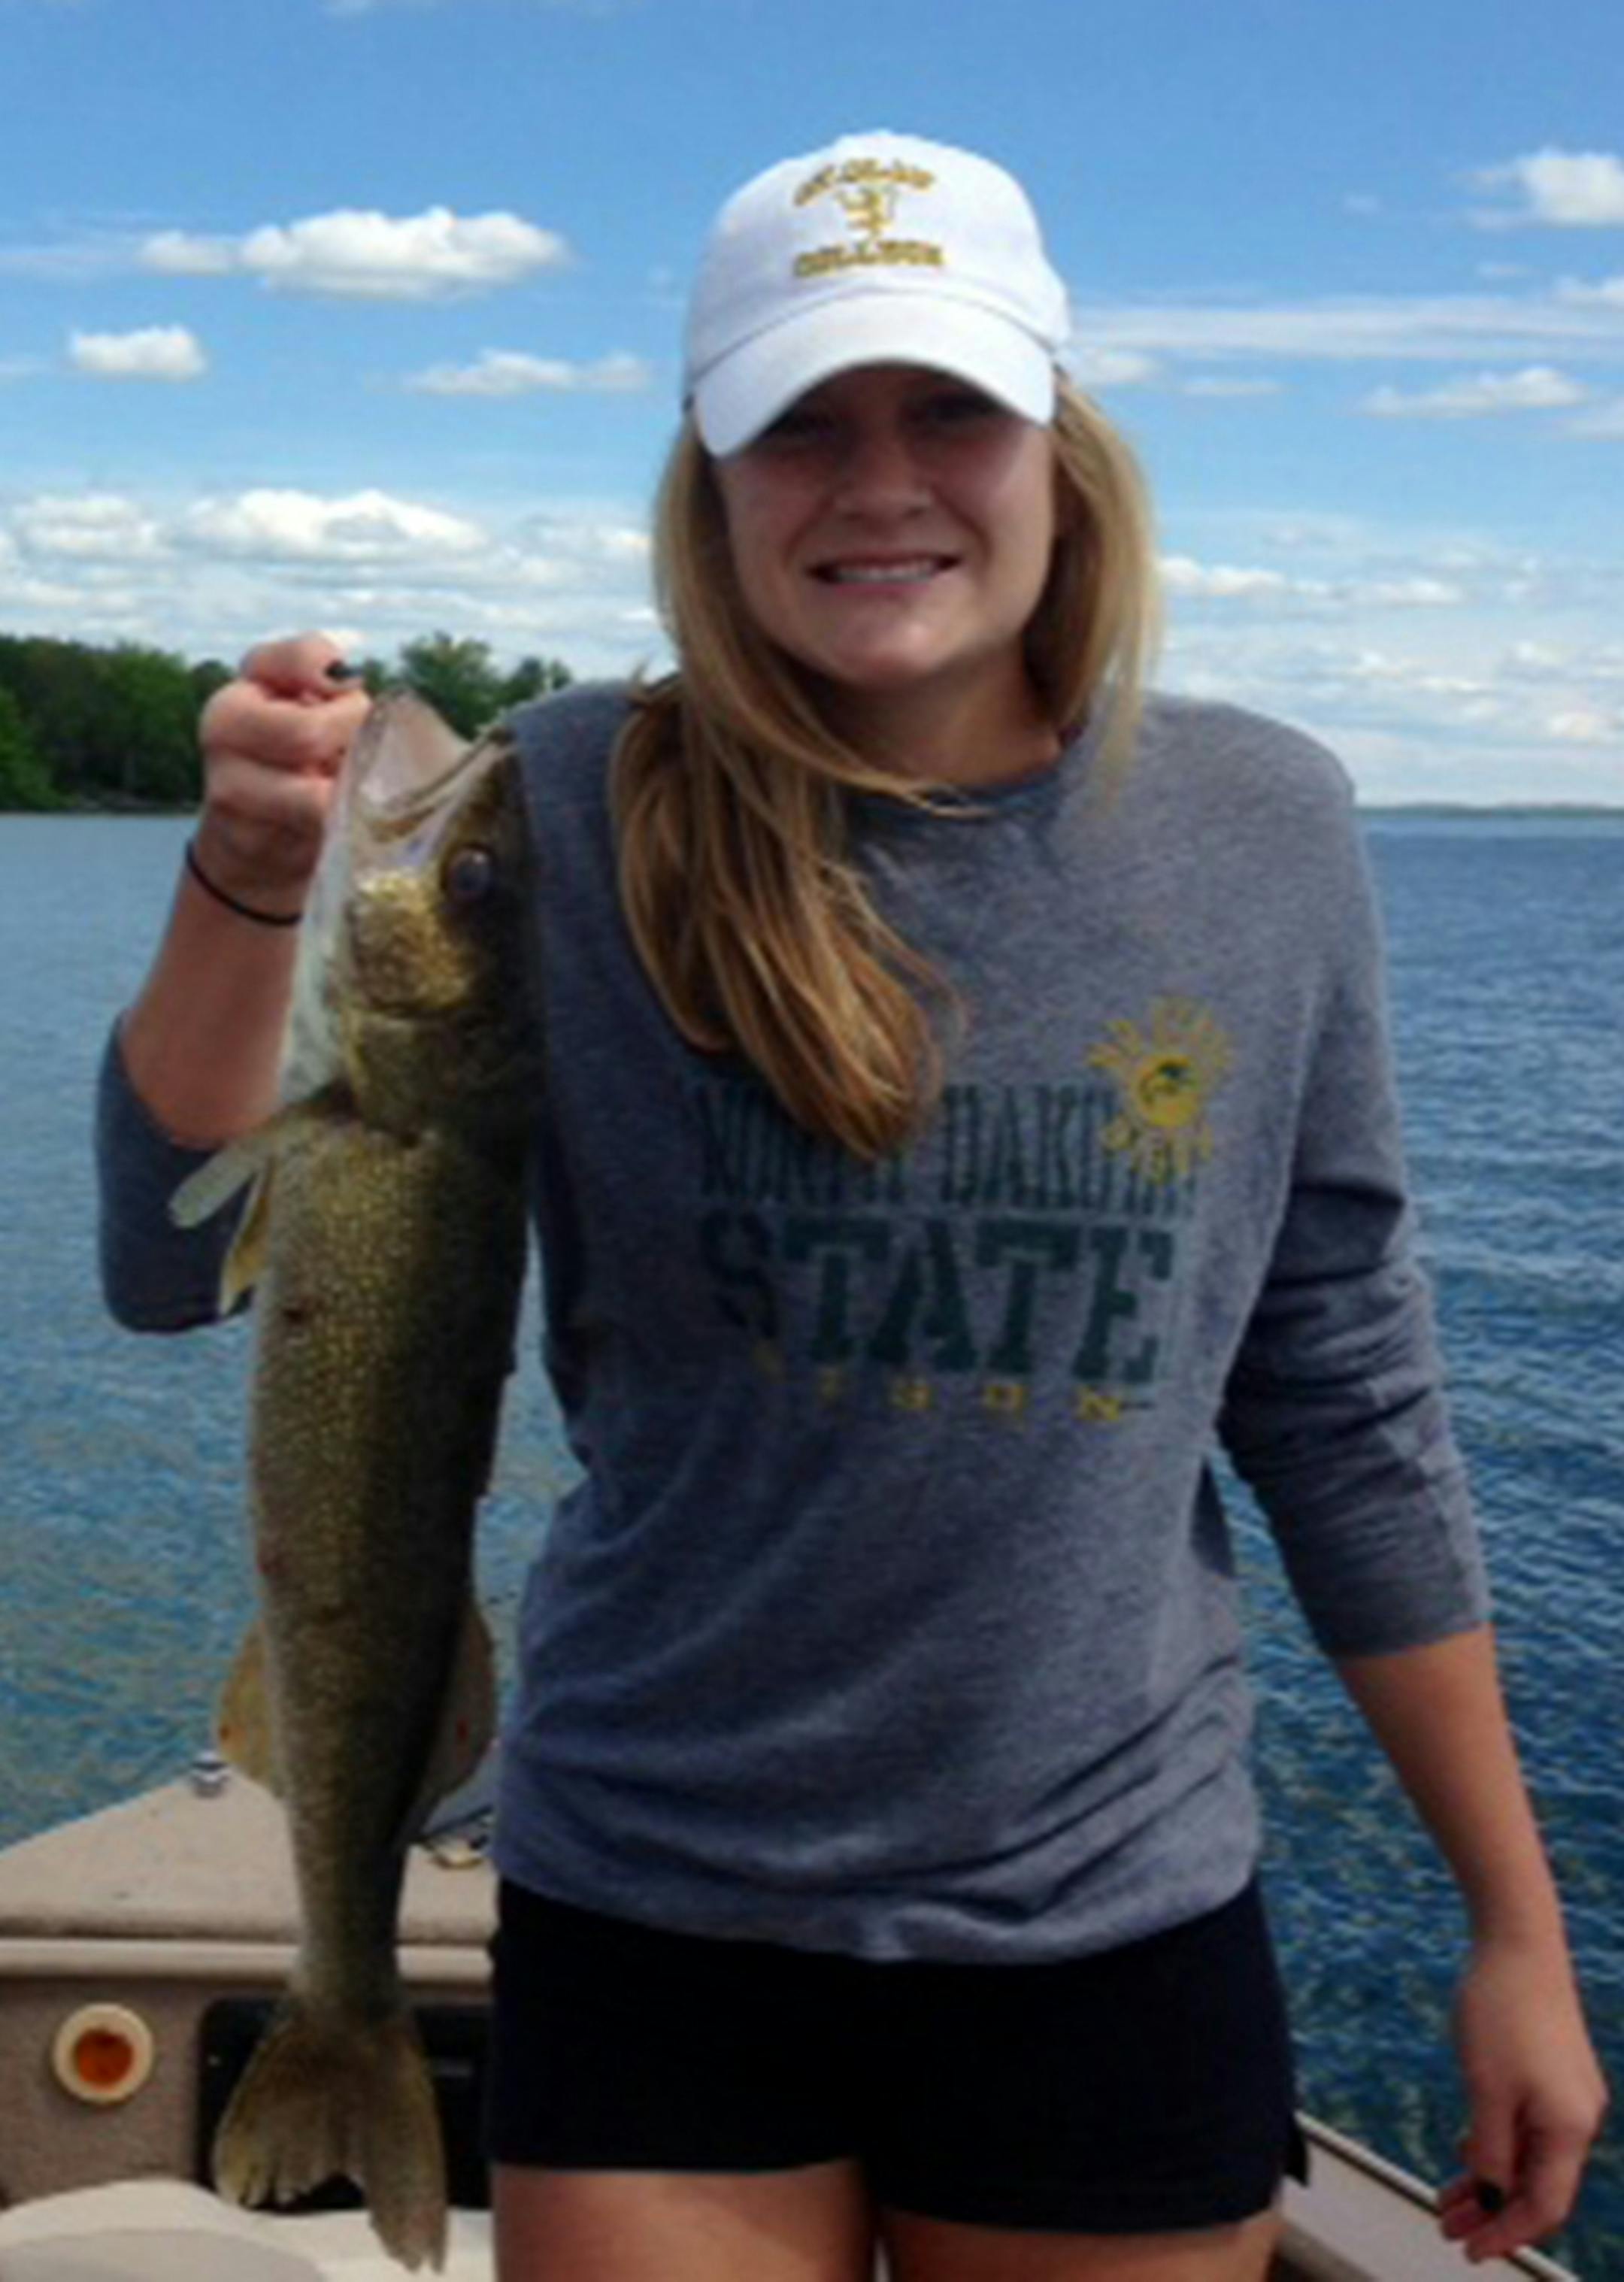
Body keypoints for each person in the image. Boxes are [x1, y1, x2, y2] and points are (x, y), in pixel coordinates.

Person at [98, 129, 1604, 2282]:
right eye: (800, 424)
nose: (880, 482)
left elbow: (1345, 1397)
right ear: (709, 481)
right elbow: (169, 1258)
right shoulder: (563, 803)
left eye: (948, 411)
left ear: (1061, 446)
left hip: (1111, 1915)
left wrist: (1514, 1925)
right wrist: (251, 880)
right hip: (655, 1902)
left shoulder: (1266, 827)